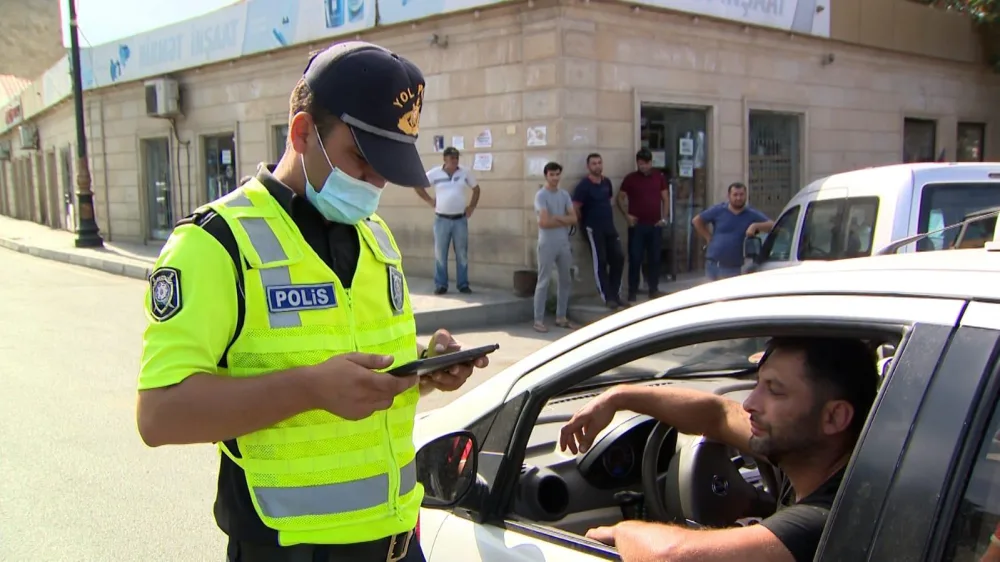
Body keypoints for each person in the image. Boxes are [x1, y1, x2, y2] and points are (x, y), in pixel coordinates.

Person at [136, 41, 489, 562]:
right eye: (362, 159)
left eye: (389, 165)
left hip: (399, 541)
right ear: (302, 133)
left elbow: (352, 349)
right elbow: (159, 415)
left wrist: (421, 365)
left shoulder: (376, 238)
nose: (376, 181)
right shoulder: (216, 244)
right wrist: (309, 389)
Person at [559, 337, 879, 562]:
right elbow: (719, 414)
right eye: (757, 384)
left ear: (834, 416)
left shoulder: (829, 519)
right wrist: (619, 396)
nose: (751, 404)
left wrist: (623, 530)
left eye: (775, 391)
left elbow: (671, 557)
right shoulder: (814, 452)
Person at [415, 146, 480, 295]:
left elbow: (476, 189)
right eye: (452, 159)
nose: (455, 161)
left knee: (462, 253)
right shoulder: (435, 173)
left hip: (460, 219)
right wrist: (429, 200)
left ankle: (463, 284)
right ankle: (441, 284)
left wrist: (472, 207)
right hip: (442, 220)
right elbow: (418, 185)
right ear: (445, 159)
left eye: (456, 158)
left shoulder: (464, 173)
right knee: (440, 254)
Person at [573, 153, 626, 310]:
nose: (597, 166)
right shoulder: (583, 186)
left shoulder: (606, 182)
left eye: (599, 163)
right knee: (600, 261)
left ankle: (616, 294)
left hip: (609, 227)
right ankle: (607, 297)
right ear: (588, 167)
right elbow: (576, 207)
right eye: (594, 163)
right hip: (593, 229)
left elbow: (609, 200)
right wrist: (584, 223)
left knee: (618, 258)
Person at [616, 148, 670, 302]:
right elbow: (620, 198)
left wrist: (664, 218)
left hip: (655, 225)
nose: (644, 166)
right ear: (637, 163)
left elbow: (665, 198)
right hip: (637, 226)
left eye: (646, 163)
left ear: (651, 163)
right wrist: (626, 215)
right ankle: (632, 291)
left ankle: (654, 289)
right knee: (635, 258)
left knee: (654, 258)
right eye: (641, 164)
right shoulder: (630, 178)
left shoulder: (659, 177)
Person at [692, 182, 774, 281]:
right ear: (729, 196)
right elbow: (697, 221)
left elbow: (772, 225)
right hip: (712, 264)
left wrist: (755, 226)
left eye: (741, 195)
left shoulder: (751, 213)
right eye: (735, 195)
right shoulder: (718, 210)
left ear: (746, 196)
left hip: (732, 267)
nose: (738, 198)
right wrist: (708, 237)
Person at [532, 161, 578, 333]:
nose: (555, 178)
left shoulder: (564, 195)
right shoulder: (541, 195)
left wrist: (556, 218)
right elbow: (543, 222)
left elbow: (573, 218)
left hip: (563, 242)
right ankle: (538, 319)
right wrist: (563, 219)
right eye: (552, 174)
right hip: (547, 243)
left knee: (565, 279)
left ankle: (561, 316)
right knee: (543, 280)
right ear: (546, 176)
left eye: (557, 174)